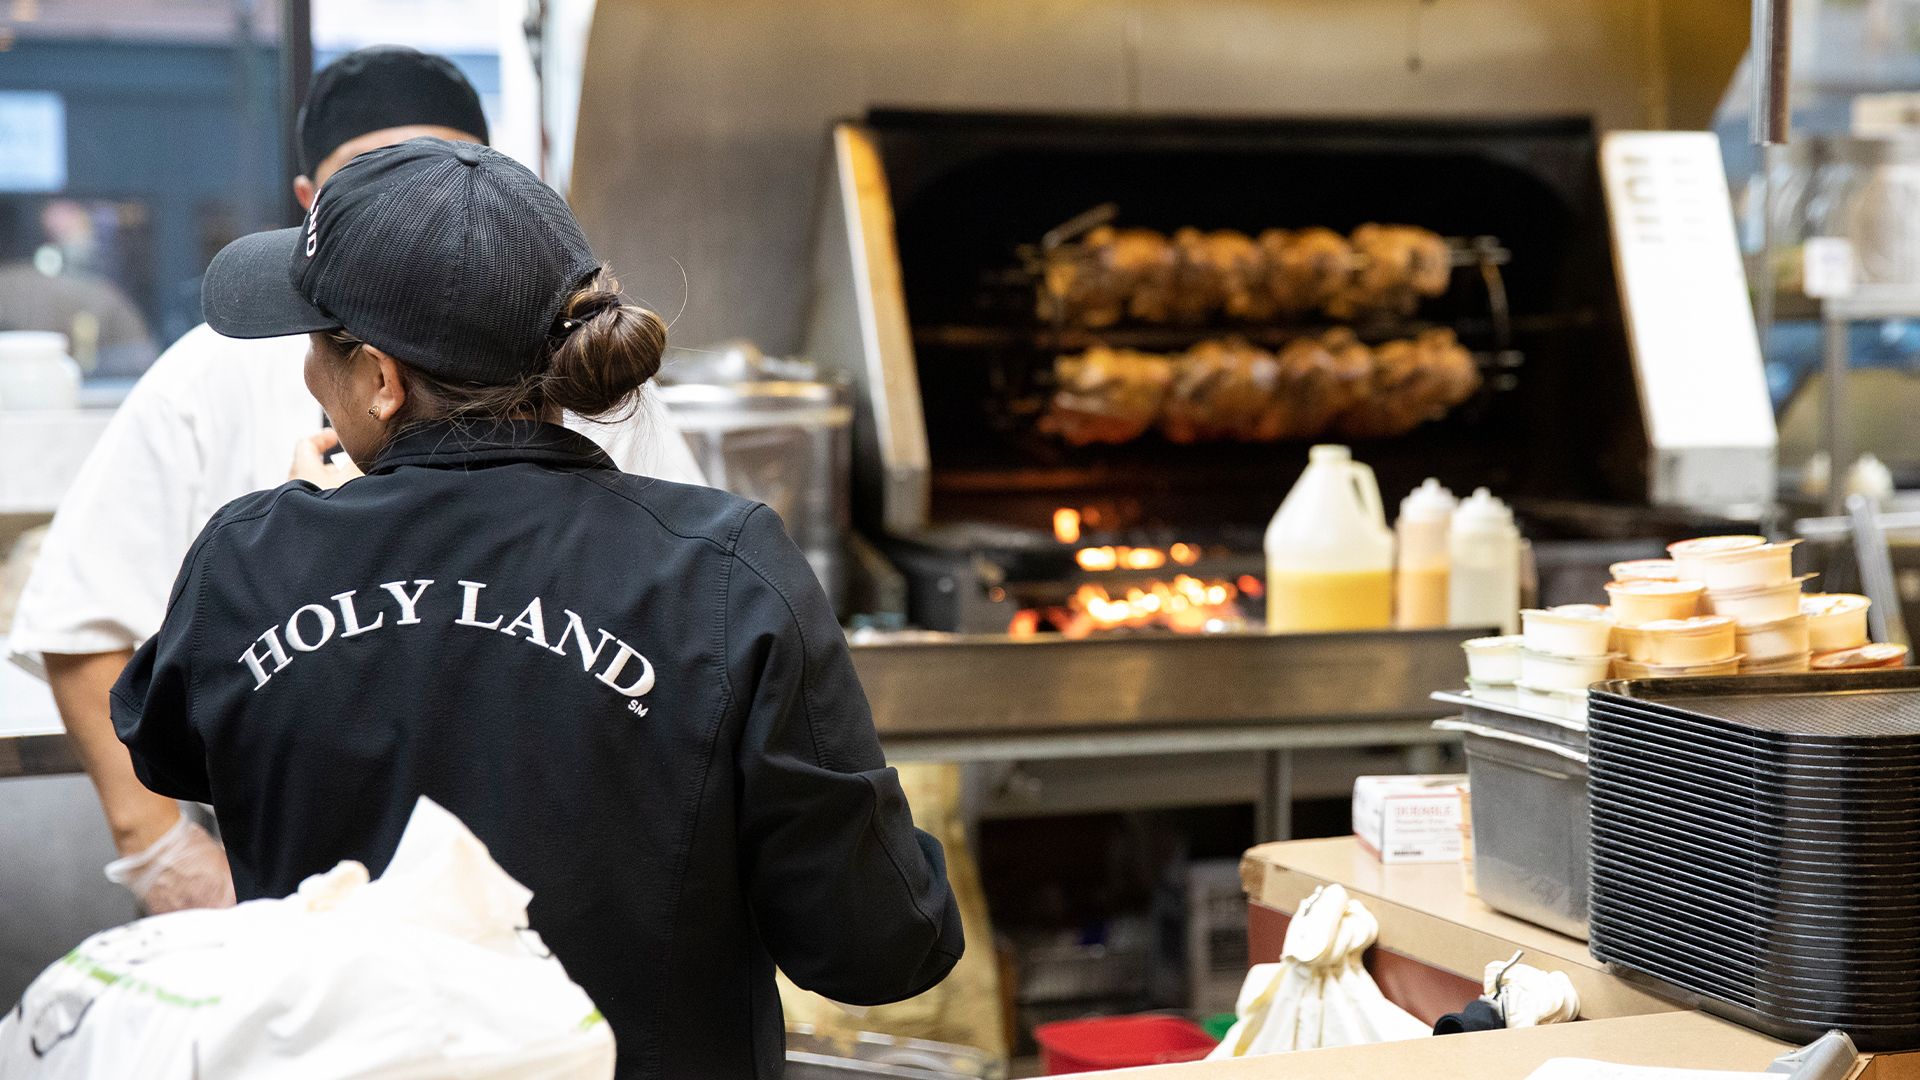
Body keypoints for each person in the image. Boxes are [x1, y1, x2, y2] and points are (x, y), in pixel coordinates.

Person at [110, 137, 962, 1078]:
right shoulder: (720, 570)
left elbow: (164, 743)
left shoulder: (252, 555)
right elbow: (880, 947)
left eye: (318, 347)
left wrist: (306, 539)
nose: (310, 375)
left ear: (383, 381)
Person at [6, 46, 703, 914]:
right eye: (374, 178)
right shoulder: (214, 384)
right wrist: (164, 855)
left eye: (442, 181)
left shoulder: (587, 377)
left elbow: (689, 627)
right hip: (313, 935)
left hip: (573, 903)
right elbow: (86, 629)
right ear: (309, 205)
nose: (414, 206)